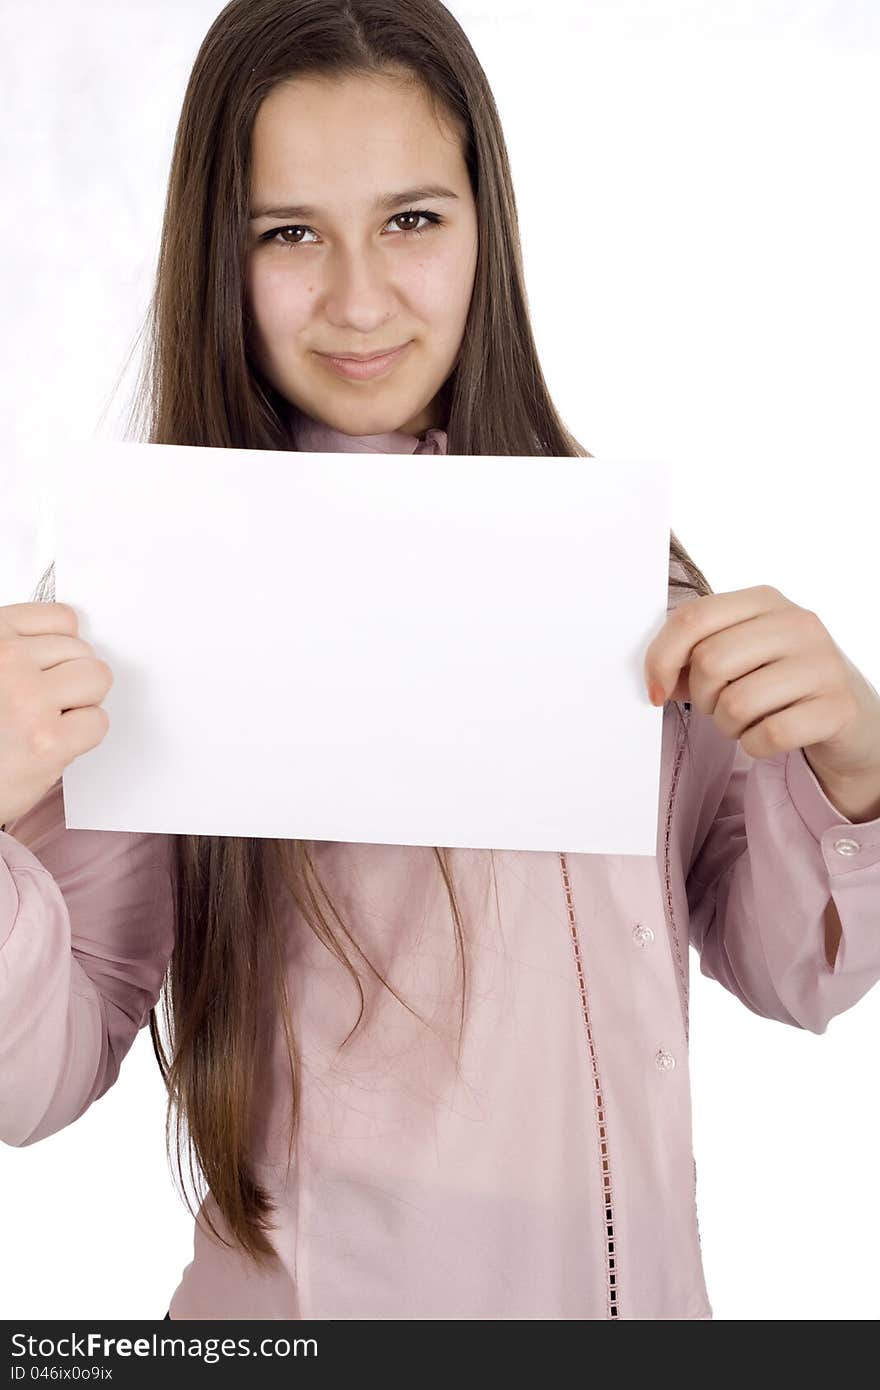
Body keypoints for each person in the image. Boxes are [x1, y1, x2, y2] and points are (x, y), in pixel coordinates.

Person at [2, 0, 879, 1322]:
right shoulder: (156, 599)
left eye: (412, 220)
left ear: (486, 229)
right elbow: (37, 1073)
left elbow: (795, 967)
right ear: (216, 259)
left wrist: (857, 761)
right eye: (289, 233)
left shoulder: (625, 578)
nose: (360, 299)